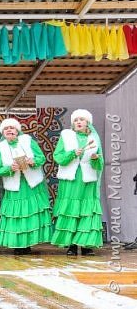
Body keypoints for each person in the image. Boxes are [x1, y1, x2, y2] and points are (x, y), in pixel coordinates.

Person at [0, 118, 52, 255]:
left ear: (17, 130)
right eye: (6, 128)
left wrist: (32, 161)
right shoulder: (0, 148)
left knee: (30, 213)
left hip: (31, 184)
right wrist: (10, 168)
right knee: (17, 215)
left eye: (12, 128)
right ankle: (18, 245)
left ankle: (29, 243)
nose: (9, 130)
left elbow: (41, 158)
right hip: (14, 186)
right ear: (3, 132)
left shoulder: (27, 140)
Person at [51, 109, 104, 256]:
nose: (78, 122)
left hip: (87, 180)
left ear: (88, 122)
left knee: (86, 212)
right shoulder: (66, 136)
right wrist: (73, 153)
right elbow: (58, 157)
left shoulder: (94, 138)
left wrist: (95, 159)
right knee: (71, 211)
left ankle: (86, 245)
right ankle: (72, 245)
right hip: (71, 180)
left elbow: (99, 165)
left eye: (82, 119)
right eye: (76, 120)